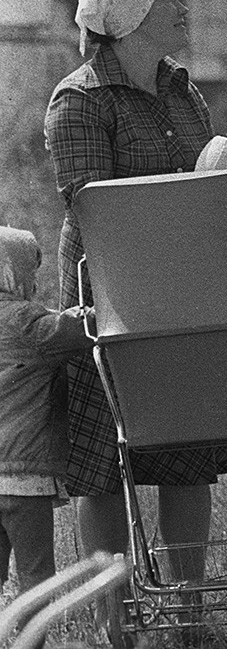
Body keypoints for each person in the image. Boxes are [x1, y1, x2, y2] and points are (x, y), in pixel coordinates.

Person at [43, 0, 227, 626]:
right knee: (106, 461)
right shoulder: (81, 100)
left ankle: (189, 610)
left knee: (185, 452)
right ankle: (115, 613)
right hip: (111, 295)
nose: (182, 5)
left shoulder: (182, 90)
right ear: (129, 15)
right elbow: (93, 209)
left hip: (183, 292)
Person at [0, 226, 94, 602]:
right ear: (15, 273)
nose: (35, 283)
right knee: (36, 575)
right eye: (32, 273)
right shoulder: (23, 321)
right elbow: (74, 332)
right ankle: (32, 640)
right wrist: (96, 304)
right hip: (25, 478)